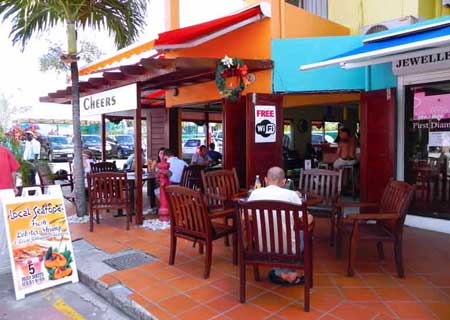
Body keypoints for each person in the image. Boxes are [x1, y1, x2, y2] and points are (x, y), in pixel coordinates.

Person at [248, 166, 312, 286]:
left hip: (261, 246)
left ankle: (282, 273)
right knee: (303, 234)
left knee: (274, 234)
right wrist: (310, 216)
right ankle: (287, 274)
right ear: (283, 182)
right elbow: (306, 221)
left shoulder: (255, 194)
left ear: (266, 180)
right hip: (288, 248)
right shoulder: (292, 195)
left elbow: (244, 217)